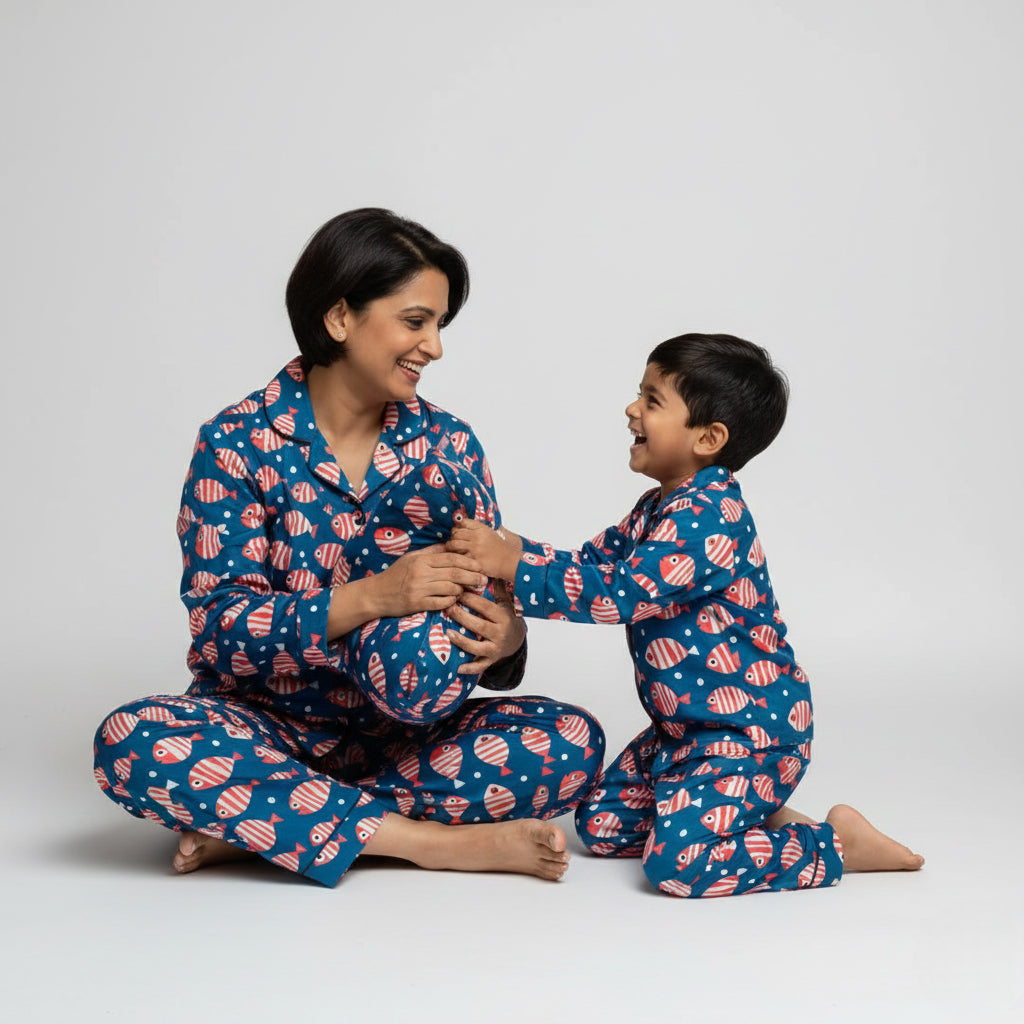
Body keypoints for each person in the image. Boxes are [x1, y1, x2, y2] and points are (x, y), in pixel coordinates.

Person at [93, 209, 604, 886]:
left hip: (406, 742)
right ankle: (425, 843)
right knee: (131, 740)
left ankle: (266, 826)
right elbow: (219, 630)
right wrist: (374, 598)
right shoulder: (235, 443)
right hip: (263, 730)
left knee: (571, 740)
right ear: (339, 317)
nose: (435, 347)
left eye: (440, 325)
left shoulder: (451, 446)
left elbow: (483, 599)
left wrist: (506, 640)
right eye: (416, 321)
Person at [448, 333, 924, 897]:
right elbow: (590, 565)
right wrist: (509, 549)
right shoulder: (658, 507)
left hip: (748, 735)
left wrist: (512, 563)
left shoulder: (710, 516)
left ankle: (834, 845)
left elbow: (618, 593)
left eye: (652, 400)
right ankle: (742, 812)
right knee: (601, 826)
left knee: (677, 865)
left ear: (708, 438)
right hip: (683, 735)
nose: (632, 409)